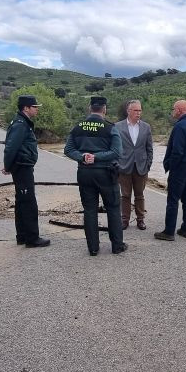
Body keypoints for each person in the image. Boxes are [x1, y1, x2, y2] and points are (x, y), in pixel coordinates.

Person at [64, 96, 127, 256]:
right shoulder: (110, 128)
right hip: (106, 173)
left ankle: (93, 248)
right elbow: (117, 152)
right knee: (113, 208)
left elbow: (68, 150)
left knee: (89, 210)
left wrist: (83, 157)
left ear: (89, 108)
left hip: (85, 173)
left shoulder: (78, 127)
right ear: (104, 109)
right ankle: (117, 246)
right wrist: (97, 157)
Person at [2, 95, 50, 248]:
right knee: (28, 202)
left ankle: (22, 235)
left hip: (22, 165)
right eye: (35, 107)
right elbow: (10, 147)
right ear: (26, 108)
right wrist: (8, 166)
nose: (37, 109)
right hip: (22, 167)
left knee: (21, 201)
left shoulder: (22, 122)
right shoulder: (21, 124)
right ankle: (32, 238)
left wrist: (9, 165)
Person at [155, 99, 186, 241]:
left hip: (180, 168)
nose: (172, 111)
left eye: (173, 109)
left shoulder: (180, 127)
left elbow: (177, 151)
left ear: (179, 110)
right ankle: (185, 229)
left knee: (173, 199)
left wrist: (171, 167)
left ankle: (169, 232)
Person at [115, 99, 154, 230]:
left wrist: (148, 164)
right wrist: (117, 164)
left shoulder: (146, 127)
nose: (138, 113)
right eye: (136, 110)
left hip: (141, 167)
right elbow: (114, 148)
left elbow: (149, 148)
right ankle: (124, 220)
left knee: (139, 195)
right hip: (124, 167)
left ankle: (140, 220)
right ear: (128, 111)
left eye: (140, 110)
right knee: (125, 195)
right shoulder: (118, 127)